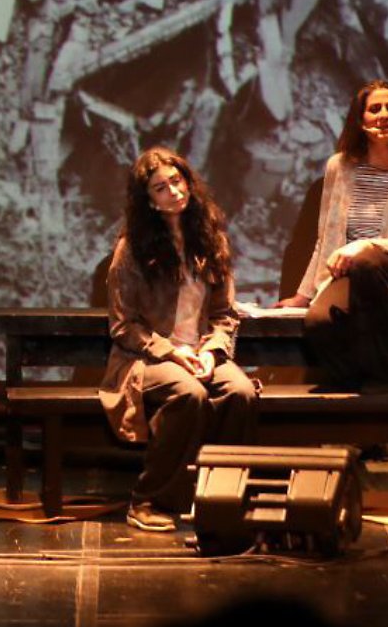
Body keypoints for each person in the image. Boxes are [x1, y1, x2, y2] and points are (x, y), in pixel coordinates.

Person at [100, 147, 257, 533]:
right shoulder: (133, 249)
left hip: (200, 353)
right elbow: (123, 326)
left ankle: (217, 493)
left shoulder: (209, 239)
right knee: (189, 394)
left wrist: (211, 350)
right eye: (160, 188)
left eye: (177, 181)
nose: (173, 191)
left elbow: (223, 314)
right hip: (144, 360)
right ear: (149, 201)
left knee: (240, 391)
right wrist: (173, 351)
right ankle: (148, 499)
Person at [277, 80, 388, 392]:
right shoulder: (339, 166)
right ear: (360, 119)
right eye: (375, 109)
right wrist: (303, 295)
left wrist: (362, 246)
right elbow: (325, 238)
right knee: (319, 322)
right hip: (352, 274)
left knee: (370, 261)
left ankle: (380, 384)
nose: (384, 115)